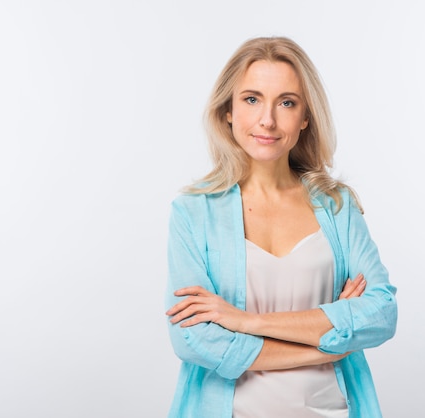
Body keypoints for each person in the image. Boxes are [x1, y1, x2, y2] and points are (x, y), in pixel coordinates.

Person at [164, 36, 397, 418]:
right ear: (228, 110)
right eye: (251, 99)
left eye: (286, 102)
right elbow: (194, 339)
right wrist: (326, 343)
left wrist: (245, 322)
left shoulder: (338, 206)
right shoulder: (193, 212)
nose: (267, 120)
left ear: (305, 116)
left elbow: (381, 314)